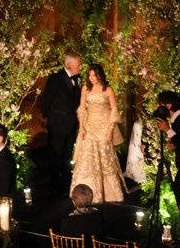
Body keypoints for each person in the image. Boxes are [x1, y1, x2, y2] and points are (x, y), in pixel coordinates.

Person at [70, 64, 126, 203]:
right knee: (87, 158)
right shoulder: (85, 88)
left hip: (104, 127)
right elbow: (82, 109)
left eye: (94, 75)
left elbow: (114, 110)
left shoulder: (108, 90)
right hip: (89, 126)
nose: (92, 78)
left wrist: (110, 130)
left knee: (105, 159)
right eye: (90, 75)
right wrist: (82, 128)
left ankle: (108, 193)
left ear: (100, 75)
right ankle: (87, 193)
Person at [41, 51, 82, 196]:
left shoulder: (78, 79)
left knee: (67, 156)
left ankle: (66, 184)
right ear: (69, 64)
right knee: (55, 155)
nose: (80, 67)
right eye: (78, 64)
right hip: (57, 123)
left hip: (71, 123)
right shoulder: (55, 78)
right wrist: (47, 117)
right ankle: (54, 186)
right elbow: (46, 99)